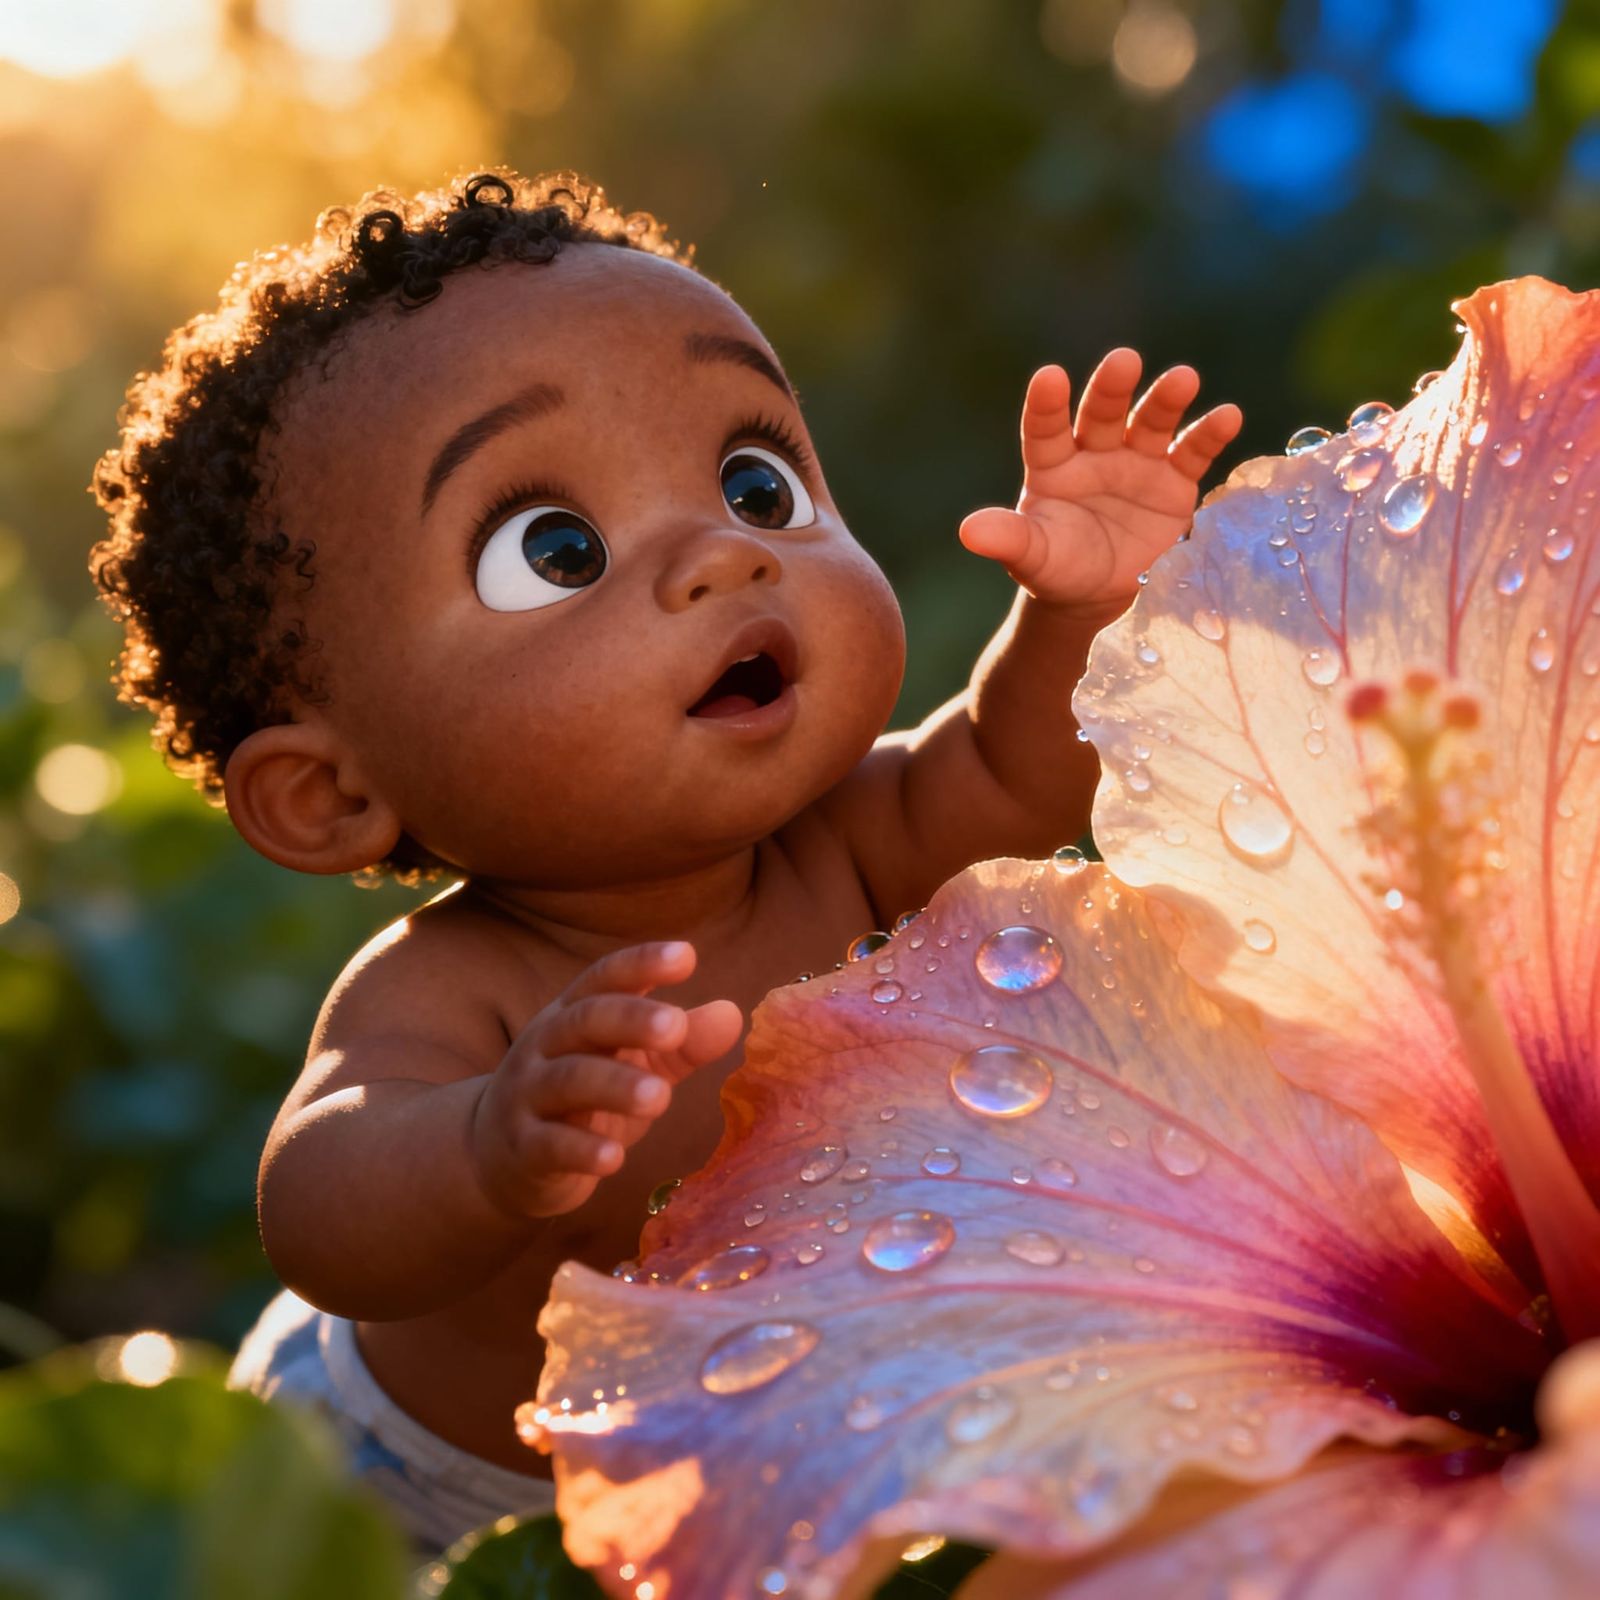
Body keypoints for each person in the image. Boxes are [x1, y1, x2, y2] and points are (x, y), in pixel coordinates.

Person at [89, 169, 1241, 1551]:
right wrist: (483, 1141)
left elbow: (1010, 768)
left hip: (751, 1459)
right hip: (432, 1493)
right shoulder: (463, 990)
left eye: (757, 482)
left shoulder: (851, 841)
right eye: (554, 551)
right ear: (331, 793)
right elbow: (316, 1209)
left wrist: (1079, 611)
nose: (718, 556)